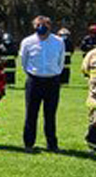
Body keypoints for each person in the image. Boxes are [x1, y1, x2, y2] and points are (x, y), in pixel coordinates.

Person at [20, 15, 65, 152]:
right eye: (38, 25)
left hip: (52, 80)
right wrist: (33, 73)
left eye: (44, 24)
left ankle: (52, 144)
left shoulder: (58, 41)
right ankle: (29, 143)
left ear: (50, 26)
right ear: (34, 26)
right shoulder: (27, 41)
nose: (41, 27)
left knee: (50, 114)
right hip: (34, 80)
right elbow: (23, 61)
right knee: (31, 114)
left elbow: (61, 60)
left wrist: (55, 72)